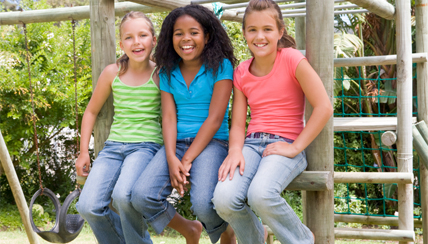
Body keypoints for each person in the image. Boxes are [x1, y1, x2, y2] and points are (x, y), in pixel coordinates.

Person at [212, 0, 333, 243]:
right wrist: (235, 150)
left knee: (261, 195)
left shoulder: (291, 59)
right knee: (223, 200)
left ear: (280, 32)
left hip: (286, 144)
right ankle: (256, 237)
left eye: (267, 29)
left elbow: (324, 107)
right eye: (252, 30)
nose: (260, 36)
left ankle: (302, 239)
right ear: (245, 32)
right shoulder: (242, 71)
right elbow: (237, 124)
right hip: (251, 144)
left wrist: (295, 147)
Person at [130, 4, 237, 244]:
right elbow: (168, 117)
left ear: (207, 36)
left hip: (213, 142)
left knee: (202, 202)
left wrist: (186, 160)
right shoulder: (167, 71)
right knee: (141, 195)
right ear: (170, 37)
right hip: (176, 142)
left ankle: (228, 231)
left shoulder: (221, 66)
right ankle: (191, 229)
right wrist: (171, 157)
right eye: (179, 33)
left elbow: (215, 118)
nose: (186, 39)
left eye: (194, 32)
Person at [75, 11, 163, 244]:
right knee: (87, 206)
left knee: (124, 196)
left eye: (143, 35)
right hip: (113, 147)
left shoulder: (160, 75)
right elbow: (91, 111)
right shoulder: (112, 73)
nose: (136, 42)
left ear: (153, 40)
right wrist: (84, 151)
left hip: (146, 146)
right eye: (129, 37)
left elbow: (173, 116)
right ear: (121, 42)